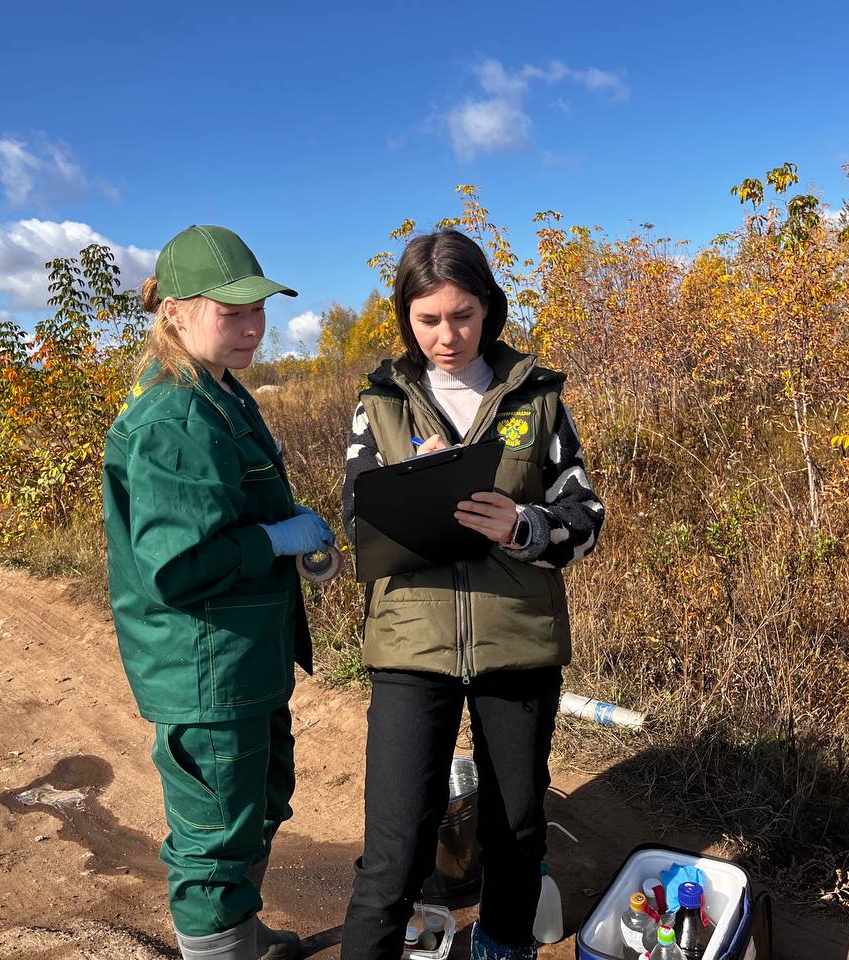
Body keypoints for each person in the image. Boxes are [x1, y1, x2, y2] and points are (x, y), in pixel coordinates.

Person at [339, 229, 605, 960]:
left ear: (488, 307)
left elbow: (585, 520)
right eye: (428, 320)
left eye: (462, 315)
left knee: (516, 831)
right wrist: (410, 492)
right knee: (394, 848)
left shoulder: (539, 397)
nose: (446, 336)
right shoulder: (380, 404)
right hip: (410, 644)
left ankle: (500, 945)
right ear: (406, 318)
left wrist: (525, 525)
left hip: (517, 640)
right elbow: (356, 519)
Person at [102, 225, 335, 960]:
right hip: (206, 665)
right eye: (231, 311)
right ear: (174, 311)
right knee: (215, 831)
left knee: (256, 803)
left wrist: (288, 532)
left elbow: (229, 512)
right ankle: (219, 949)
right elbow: (179, 565)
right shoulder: (174, 414)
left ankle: (240, 934)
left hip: (242, 656)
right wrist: (275, 540)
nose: (253, 326)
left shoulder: (219, 393)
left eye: (258, 309)